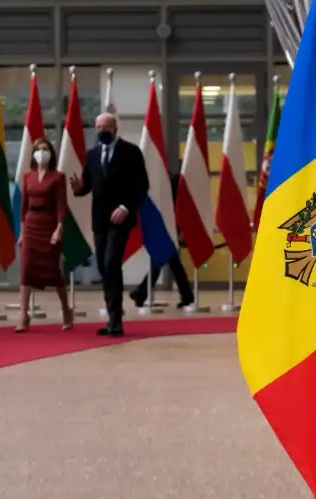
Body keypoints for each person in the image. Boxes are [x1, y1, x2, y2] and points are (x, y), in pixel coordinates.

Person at [68, 113, 149, 337]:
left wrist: (125, 207)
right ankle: (114, 313)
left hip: (121, 218)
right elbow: (87, 186)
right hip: (100, 220)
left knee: (112, 262)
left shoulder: (131, 152)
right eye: (98, 127)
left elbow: (142, 185)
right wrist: (77, 187)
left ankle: (116, 320)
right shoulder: (92, 155)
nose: (101, 131)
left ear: (115, 128)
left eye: (105, 127)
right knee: (104, 267)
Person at [17, 138, 74, 333]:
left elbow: (61, 205)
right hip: (31, 224)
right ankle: (23, 315)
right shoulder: (27, 177)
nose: (42, 152)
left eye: (46, 149)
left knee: (53, 270)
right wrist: (22, 232)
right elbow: (23, 207)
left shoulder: (58, 177)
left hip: (49, 224)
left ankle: (66, 309)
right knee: (26, 268)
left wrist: (59, 229)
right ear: (33, 153)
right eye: (39, 149)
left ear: (51, 153)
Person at [130, 170, 194, 308]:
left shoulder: (174, 180)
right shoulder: (166, 181)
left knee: (166, 260)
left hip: (169, 225)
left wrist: (182, 230)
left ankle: (142, 292)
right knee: (167, 261)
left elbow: (181, 207)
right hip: (165, 225)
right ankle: (186, 296)